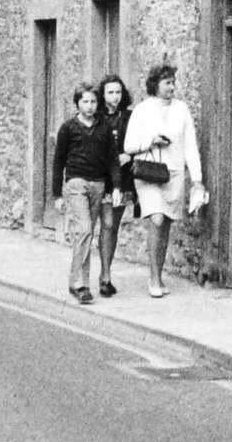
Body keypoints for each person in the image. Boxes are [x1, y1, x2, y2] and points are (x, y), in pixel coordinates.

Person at [121, 61, 205, 299]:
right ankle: (154, 278)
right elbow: (129, 145)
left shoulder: (182, 109)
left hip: (173, 173)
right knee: (157, 219)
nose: (172, 87)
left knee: (166, 223)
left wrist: (197, 179)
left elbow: (190, 146)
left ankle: (158, 273)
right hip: (148, 172)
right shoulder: (142, 110)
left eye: (173, 82)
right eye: (167, 83)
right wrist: (151, 141)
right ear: (155, 85)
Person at [50, 83, 113, 304]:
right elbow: (58, 161)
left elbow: (112, 160)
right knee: (84, 229)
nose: (89, 106)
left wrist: (113, 189)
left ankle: (77, 280)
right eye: (85, 101)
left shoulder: (104, 128)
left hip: (98, 184)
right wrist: (57, 194)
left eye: (93, 102)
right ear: (77, 104)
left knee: (86, 234)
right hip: (76, 183)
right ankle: (80, 284)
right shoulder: (68, 128)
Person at [94, 74, 134, 298]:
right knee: (106, 223)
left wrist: (129, 155)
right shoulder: (96, 117)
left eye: (118, 92)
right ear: (103, 94)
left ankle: (106, 273)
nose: (115, 97)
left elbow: (138, 141)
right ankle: (103, 275)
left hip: (122, 178)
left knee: (113, 226)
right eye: (110, 92)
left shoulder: (128, 117)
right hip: (101, 177)